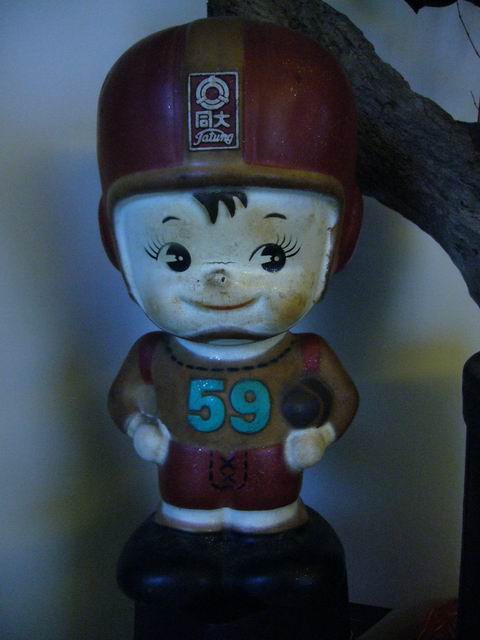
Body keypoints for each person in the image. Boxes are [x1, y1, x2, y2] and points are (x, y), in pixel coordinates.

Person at [97, 17, 363, 534]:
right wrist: (136, 425)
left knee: (282, 563)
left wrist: (322, 435)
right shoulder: (155, 356)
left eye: (272, 256)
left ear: (343, 235)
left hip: (273, 487)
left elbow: (344, 397)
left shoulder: (306, 356)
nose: (221, 281)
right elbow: (122, 395)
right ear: (114, 243)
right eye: (176, 256)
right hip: (184, 484)